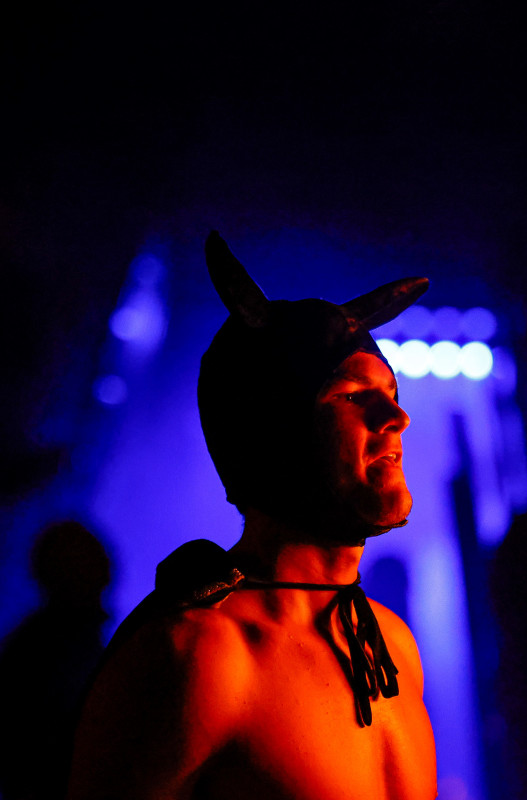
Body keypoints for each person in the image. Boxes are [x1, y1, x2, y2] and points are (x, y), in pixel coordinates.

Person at [67, 233, 437, 799]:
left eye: (389, 391)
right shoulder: (199, 657)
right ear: (277, 433)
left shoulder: (391, 647)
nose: (396, 416)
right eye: (349, 396)